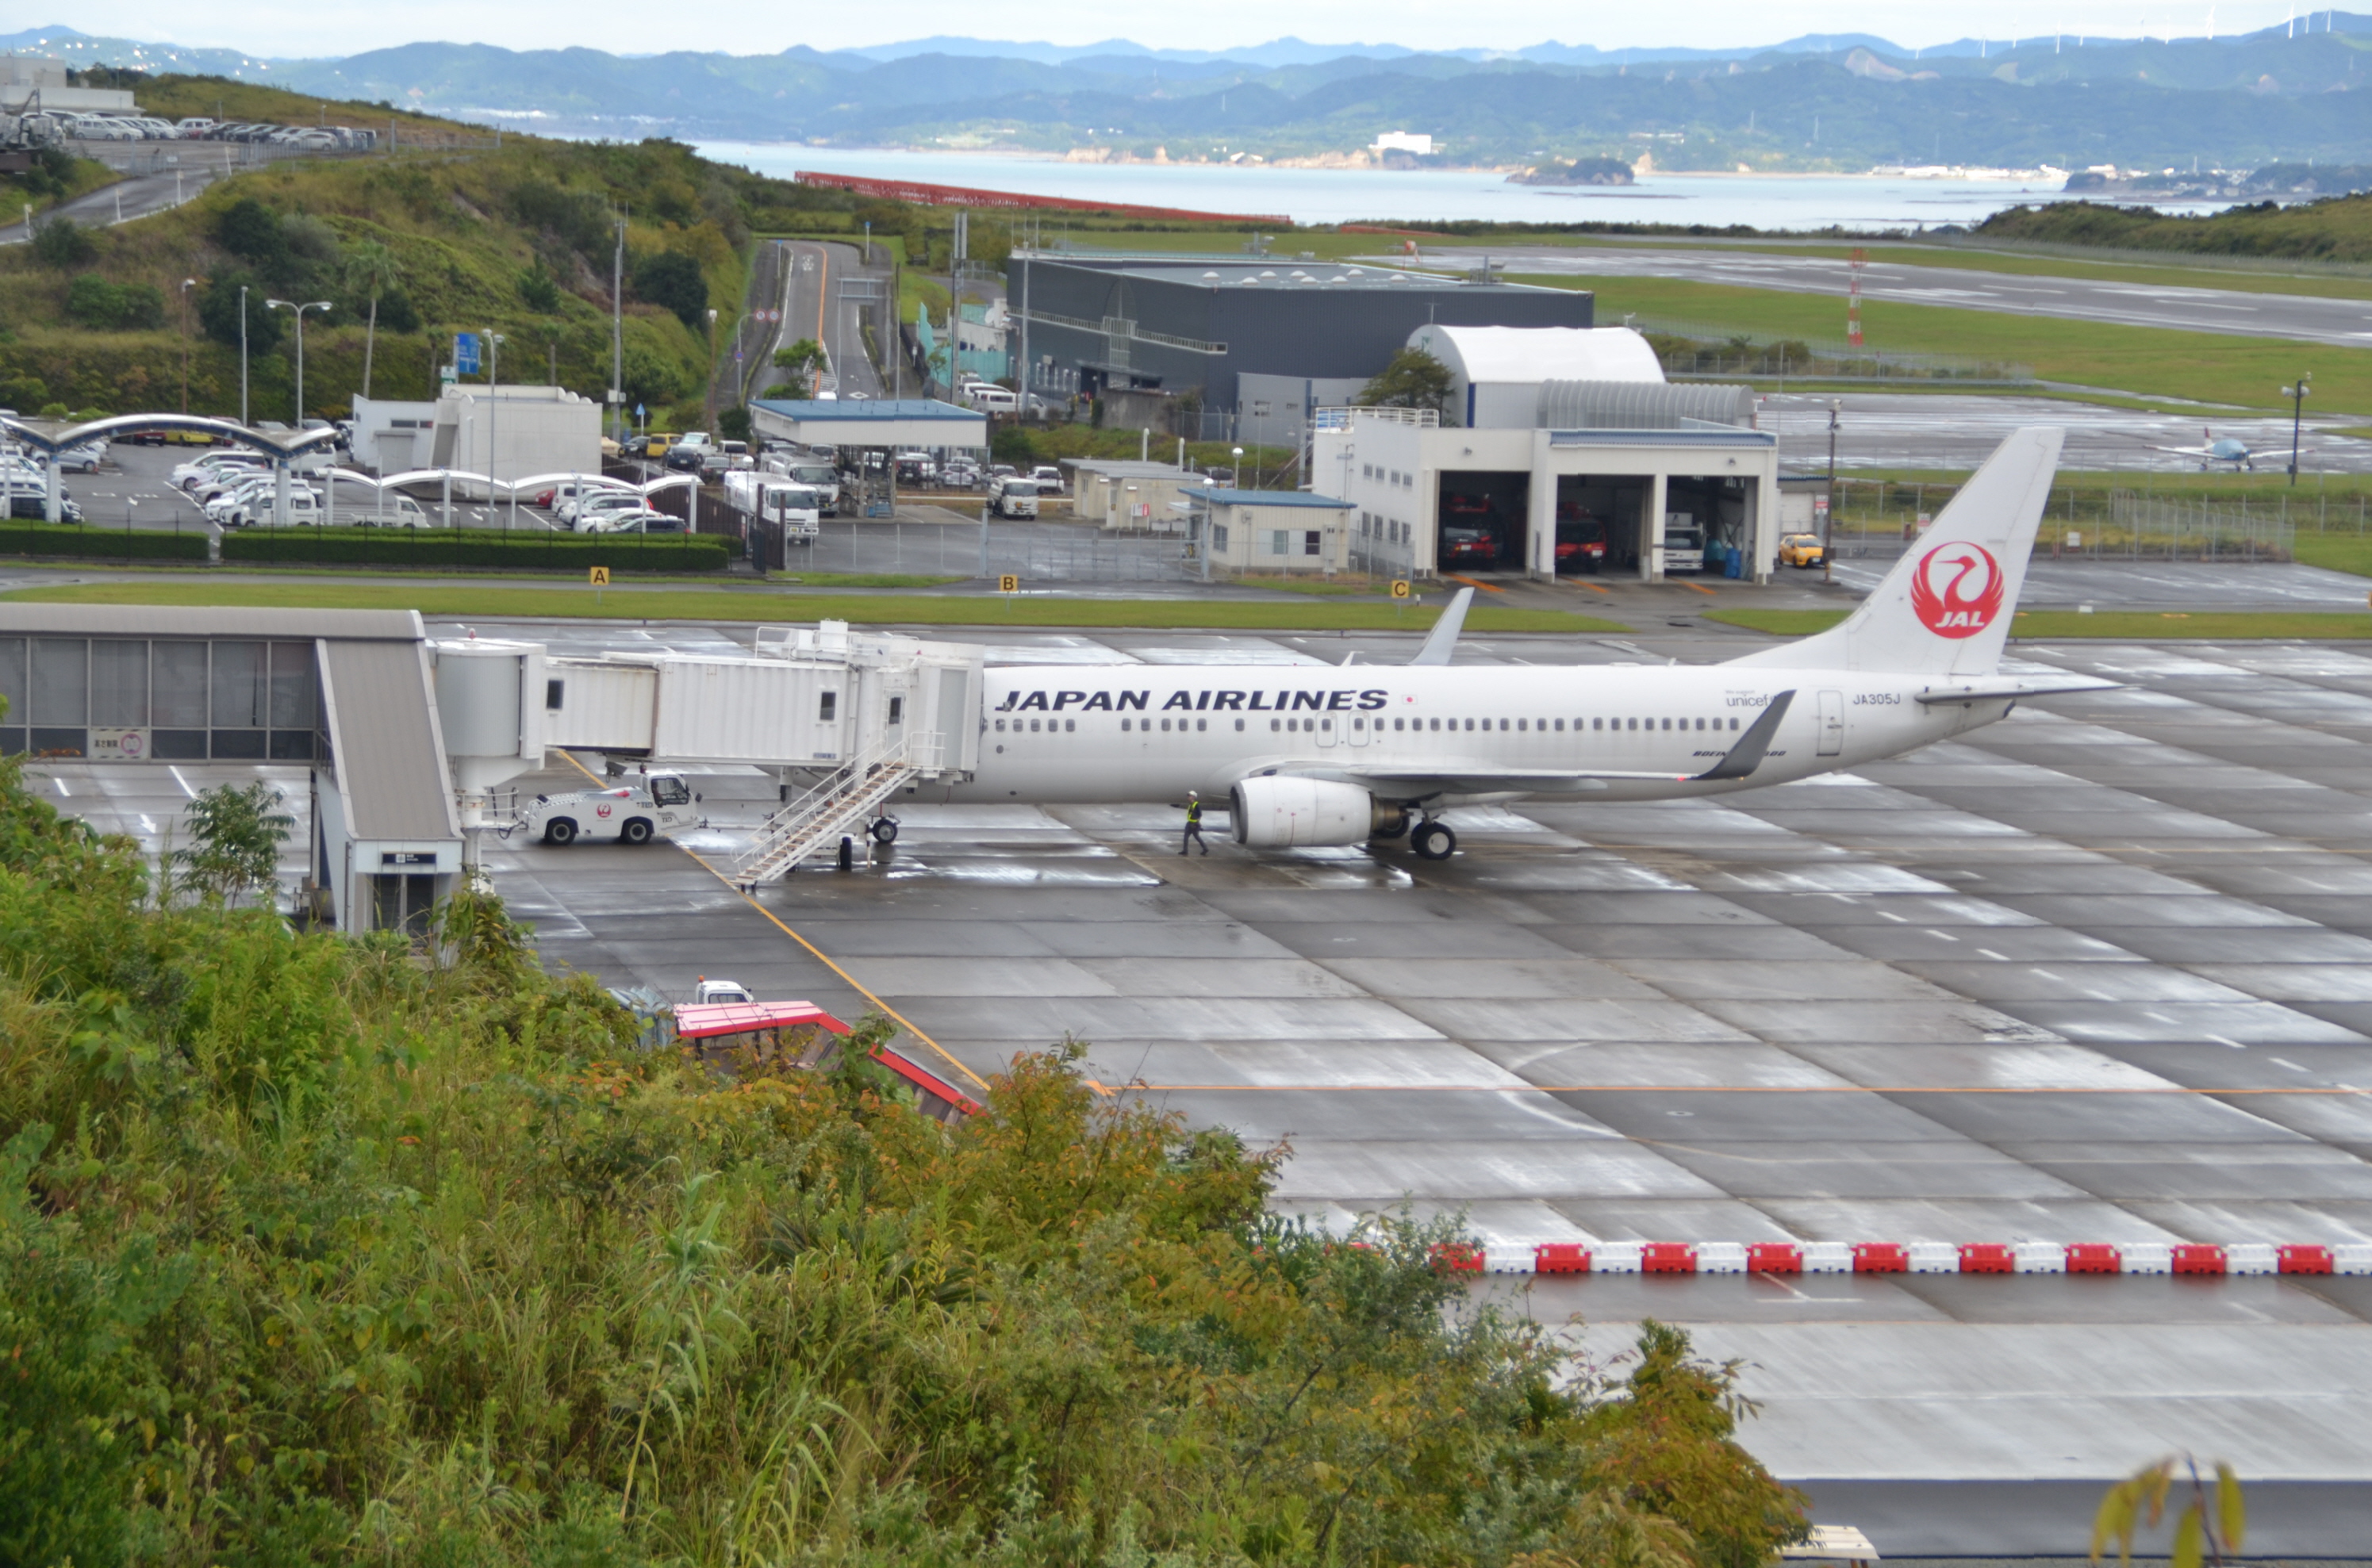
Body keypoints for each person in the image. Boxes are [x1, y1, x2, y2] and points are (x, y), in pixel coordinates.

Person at [1180, 790, 1207, 857]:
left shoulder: (1196, 804)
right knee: (1186, 837)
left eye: (1190, 796)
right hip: (1189, 823)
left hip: (1194, 824)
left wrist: (1197, 823)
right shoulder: (1191, 804)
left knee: (1196, 837)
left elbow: (1200, 814)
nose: (1188, 797)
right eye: (1188, 796)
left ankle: (1205, 848)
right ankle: (1185, 851)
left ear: (1194, 797)